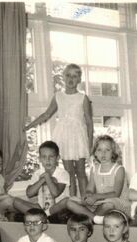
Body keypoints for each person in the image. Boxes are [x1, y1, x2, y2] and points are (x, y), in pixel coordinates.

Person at [25, 63, 93, 197]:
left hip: (78, 137)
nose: (71, 79)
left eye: (75, 76)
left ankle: (85, 201)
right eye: (68, 75)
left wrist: (90, 143)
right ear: (63, 77)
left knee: (80, 171)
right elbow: (46, 114)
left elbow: (89, 122)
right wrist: (29, 126)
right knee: (69, 172)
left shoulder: (83, 98)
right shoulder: (58, 96)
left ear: (79, 79)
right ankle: (73, 200)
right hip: (63, 136)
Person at [69, 135, 131, 223]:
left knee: (107, 205)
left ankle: (89, 219)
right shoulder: (94, 169)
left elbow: (116, 193)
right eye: (99, 150)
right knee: (70, 201)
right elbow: (90, 189)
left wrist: (96, 196)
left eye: (107, 150)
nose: (103, 153)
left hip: (117, 203)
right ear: (95, 153)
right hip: (99, 201)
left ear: (113, 152)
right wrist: (87, 196)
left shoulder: (119, 169)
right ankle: (95, 218)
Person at [0, 149, 34, 220]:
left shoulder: (0, 178)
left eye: (0, 164)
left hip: (2, 206)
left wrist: (5, 196)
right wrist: (5, 196)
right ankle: (35, 215)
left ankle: (35, 211)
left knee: (16, 202)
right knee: (10, 201)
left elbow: (4, 192)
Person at [26, 141, 70, 220]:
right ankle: (42, 214)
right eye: (44, 157)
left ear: (57, 158)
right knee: (15, 202)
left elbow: (55, 193)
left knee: (66, 201)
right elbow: (29, 193)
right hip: (41, 208)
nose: (48, 160)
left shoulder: (63, 173)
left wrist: (47, 177)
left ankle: (44, 215)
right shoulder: (37, 173)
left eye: (51, 156)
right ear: (39, 159)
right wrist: (42, 179)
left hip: (58, 209)